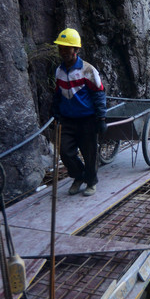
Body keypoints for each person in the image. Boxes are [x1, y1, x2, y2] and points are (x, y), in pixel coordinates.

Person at [51, 28, 107, 197]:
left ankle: (91, 182)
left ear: (76, 50)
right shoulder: (59, 71)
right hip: (68, 119)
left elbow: (98, 93)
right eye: (61, 48)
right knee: (65, 151)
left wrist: (101, 118)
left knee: (89, 153)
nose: (63, 52)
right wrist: (55, 112)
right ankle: (79, 176)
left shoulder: (87, 70)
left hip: (87, 119)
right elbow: (58, 94)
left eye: (67, 48)